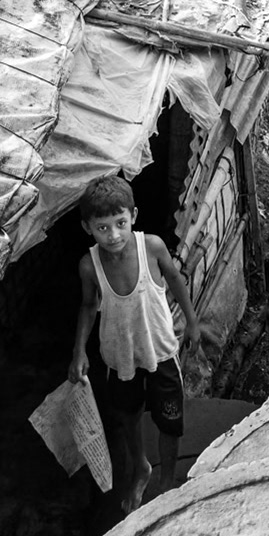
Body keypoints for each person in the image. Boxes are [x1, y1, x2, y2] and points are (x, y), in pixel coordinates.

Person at [69, 175, 201, 514]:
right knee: (126, 419)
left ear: (133, 216)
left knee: (169, 422)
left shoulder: (152, 247)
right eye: (102, 228)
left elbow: (175, 279)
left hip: (160, 350)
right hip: (120, 358)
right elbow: (87, 305)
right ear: (87, 228)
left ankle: (167, 481)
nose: (113, 235)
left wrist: (192, 323)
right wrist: (79, 351)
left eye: (120, 223)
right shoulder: (90, 265)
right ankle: (141, 467)